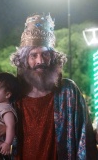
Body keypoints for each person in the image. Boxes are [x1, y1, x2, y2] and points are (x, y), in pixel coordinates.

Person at [10, 14, 98, 159]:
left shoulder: (68, 92)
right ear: (24, 59)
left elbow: (84, 138)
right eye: (33, 55)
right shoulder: (14, 94)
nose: (40, 61)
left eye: (45, 54)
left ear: (53, 57)